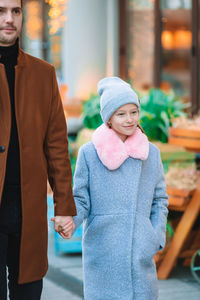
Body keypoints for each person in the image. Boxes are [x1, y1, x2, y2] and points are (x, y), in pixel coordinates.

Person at [0, 0, 76, 299]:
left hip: (27, 211)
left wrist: (64, 208)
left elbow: (56, 145)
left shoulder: (43, 74)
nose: (9, 19)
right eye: (1, 11)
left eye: (15, 11)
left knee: (29, 291)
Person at [68, 77, 168, 300]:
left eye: (134, 112)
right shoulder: (89, 153)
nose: (129, 119)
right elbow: (80, 199)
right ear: (109, 119)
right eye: (121, 114)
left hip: (140, 253)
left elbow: (160, 199)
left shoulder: (150, 154)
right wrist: (69, 220)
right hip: (103, 251)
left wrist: (154, 236)